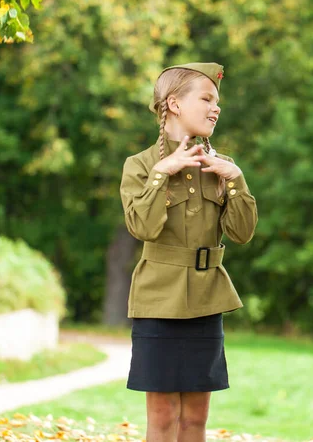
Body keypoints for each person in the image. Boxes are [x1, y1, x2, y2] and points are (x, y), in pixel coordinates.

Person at [120, 62, 258, 442]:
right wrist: (163, 172)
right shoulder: (141, 166)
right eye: (207, 98)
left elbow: (242, 233)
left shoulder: (221, 167)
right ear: (174, 104)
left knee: (195, 421)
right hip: (157, 302)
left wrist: (236, 181)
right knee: (163, 419)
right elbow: (142, 228)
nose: (216, 108)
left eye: (217, 101)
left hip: (206, 300)